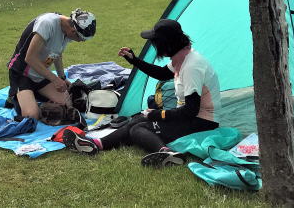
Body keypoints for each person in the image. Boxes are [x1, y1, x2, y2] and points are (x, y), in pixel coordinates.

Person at [61, 18, 220, 168]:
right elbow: (162, 73)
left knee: (138, 129)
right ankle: (95, 144)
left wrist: (158, 115)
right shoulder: (183, 56)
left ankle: (167, 153)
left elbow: (191, 110)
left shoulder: (191, 67)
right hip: (188, 117)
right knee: (137, 119)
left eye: (156, 42)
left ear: (166, 44)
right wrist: (134, 60)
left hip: (201, 122)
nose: (154, 46)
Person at [7, 9, 97, 120]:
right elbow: (30, 58)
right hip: (22, 74)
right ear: (73, 31)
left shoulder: (66, 31)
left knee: (67, 104)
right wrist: (55, 79)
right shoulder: (47, 24)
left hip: (40, 74)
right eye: (81, 39)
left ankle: (32, 95)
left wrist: (62, 77)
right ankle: (14, 96)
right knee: (32, 116)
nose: (80, 41)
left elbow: (57, 53)